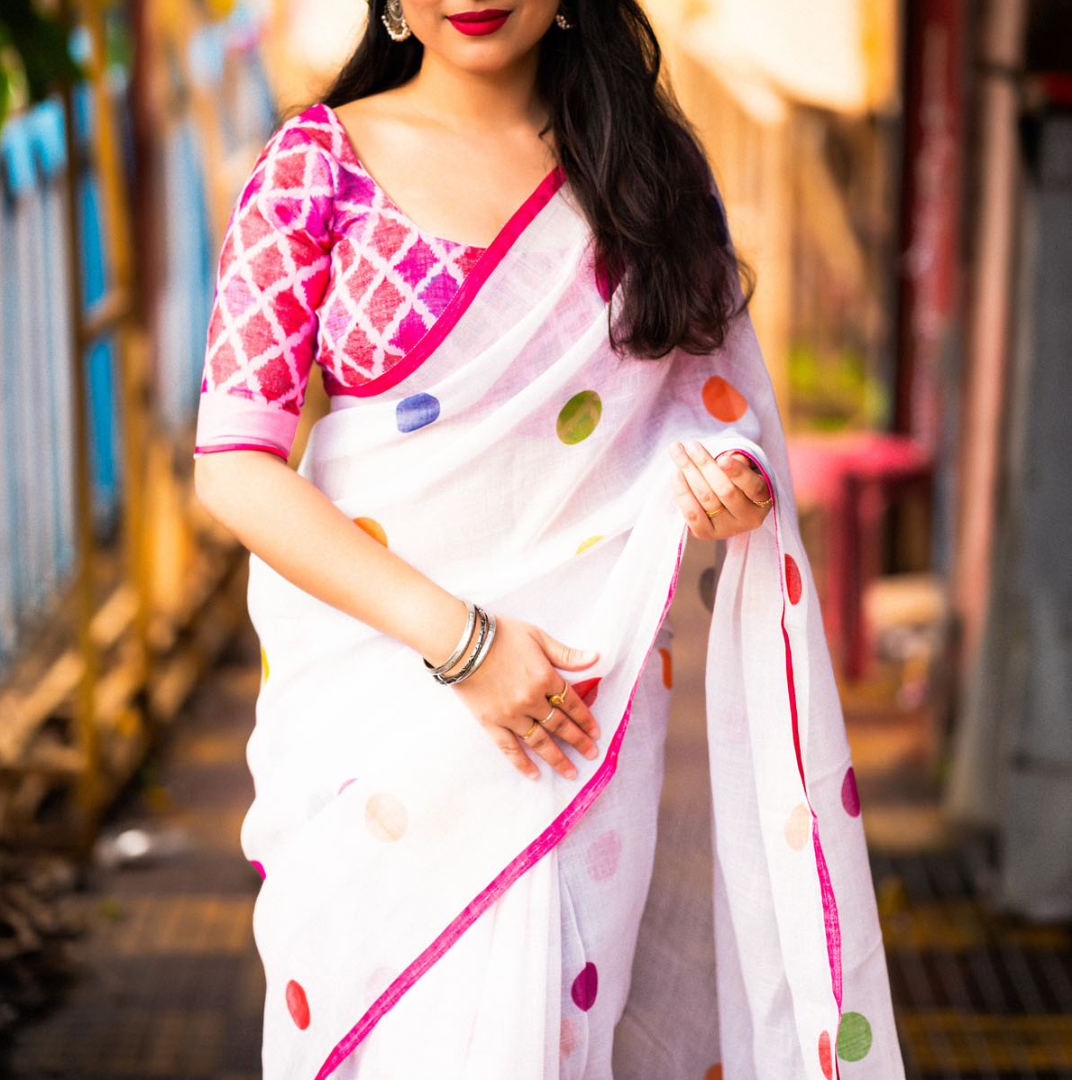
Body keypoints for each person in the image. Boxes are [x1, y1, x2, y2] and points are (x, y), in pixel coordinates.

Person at [193, 2, 905, 1078]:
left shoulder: (646, 175)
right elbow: (235, 466)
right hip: (377, 729)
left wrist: (730, 487)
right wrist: (466, 647)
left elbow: (718, 412)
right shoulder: (313, 169)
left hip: (583, 720)